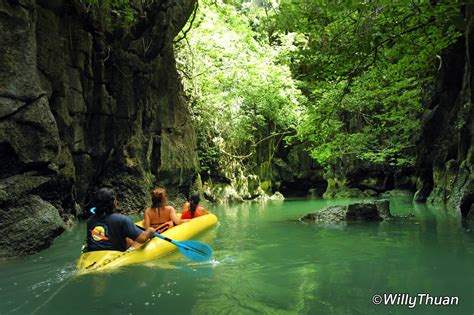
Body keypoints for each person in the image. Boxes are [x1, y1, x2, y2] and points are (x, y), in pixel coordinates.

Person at [86, 188, 155, 252]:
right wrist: (150, 231)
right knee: (144, 240)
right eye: (115, 199)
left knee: (128, 239)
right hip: (114, 255)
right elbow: (142, 239)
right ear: (113, 203)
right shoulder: (122, 219)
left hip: (93, 254)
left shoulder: (90, 220)